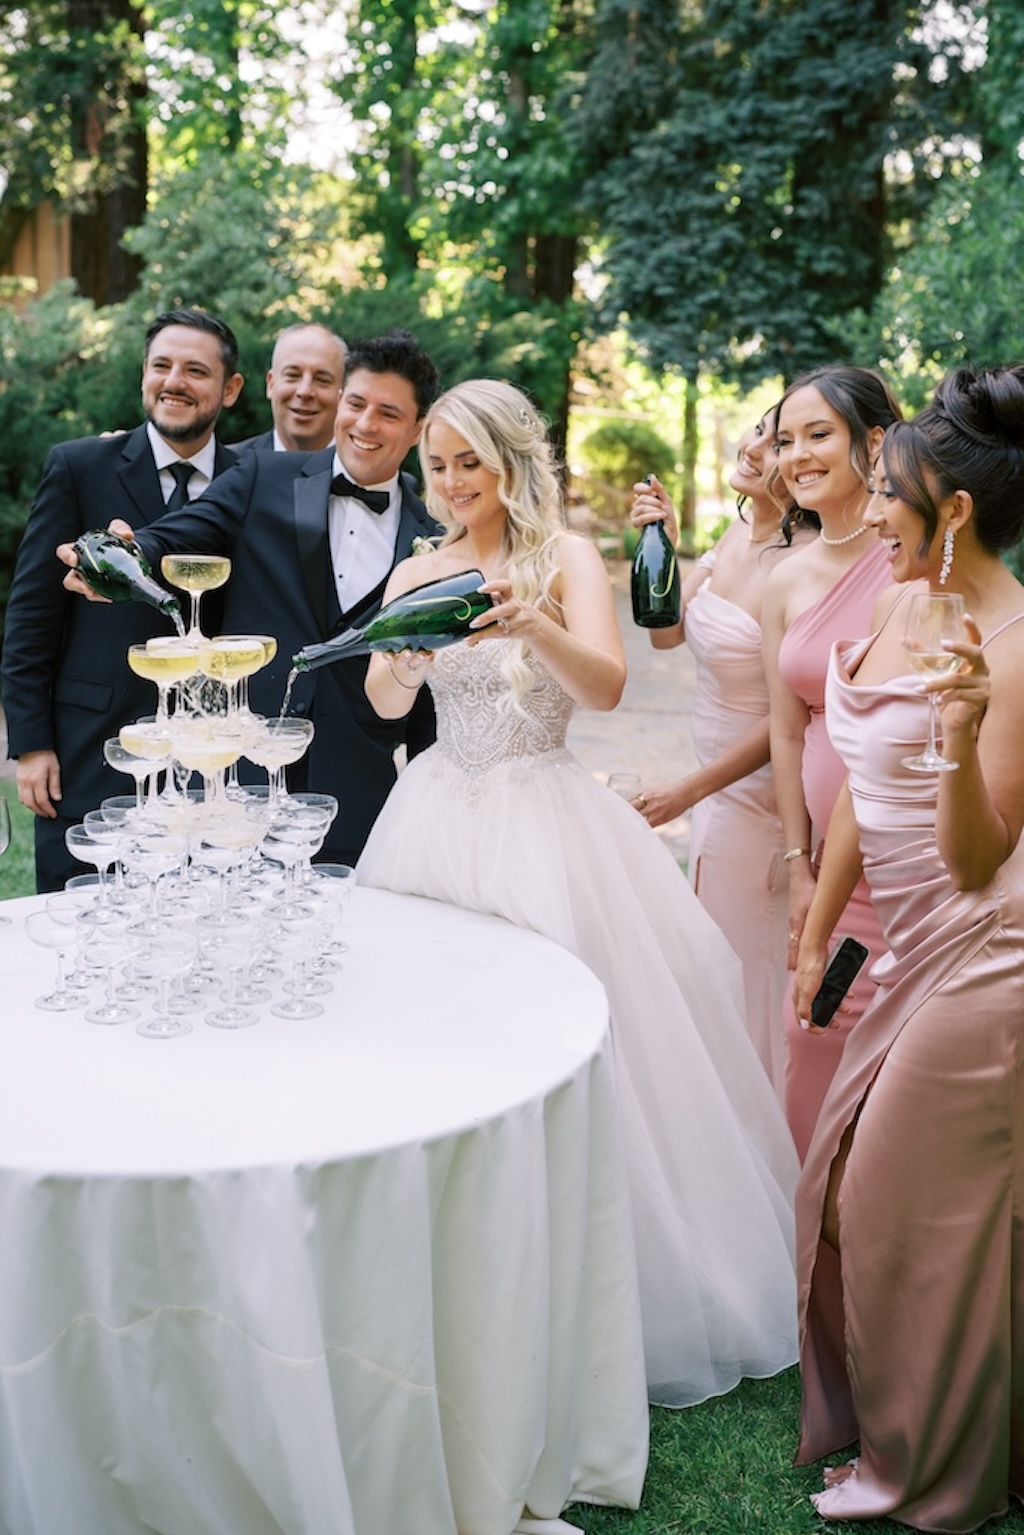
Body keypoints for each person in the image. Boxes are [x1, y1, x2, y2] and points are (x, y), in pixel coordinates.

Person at [357, 378, 800, 1408]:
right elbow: (385, 704)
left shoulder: (564, 558)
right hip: (434, 815)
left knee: (565, 1042)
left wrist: (529, 623)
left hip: (546, 818)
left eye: (472, 460)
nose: (454, 481)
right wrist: (404, 659)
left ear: (514, 463)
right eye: (440, 463)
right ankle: (453, 1257)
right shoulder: (415, 567)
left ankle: (591, 1263)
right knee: (435, 1037)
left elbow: (604, 683)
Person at [790, 364, 1024, 1530]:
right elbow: (850, 793)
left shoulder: (1017, 644)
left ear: (958, 510)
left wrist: (968, 725)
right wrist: (820, 918)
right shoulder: (891, 601)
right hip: (892, 942)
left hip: (985, 952)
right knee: (840, 1187)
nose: (872, 514)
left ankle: (926, 1465)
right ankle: (913, 1413)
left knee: (887, 1198)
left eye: (889, 495)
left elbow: (980, 858)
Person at [59, 329, 443, 866]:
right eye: (355, 404)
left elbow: (432, 693)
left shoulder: (436, 539)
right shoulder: (264, 475)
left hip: (360, 795)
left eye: (388, 412)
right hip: (238, 788)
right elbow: (176, 536)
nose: (364, 424)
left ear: (419, 428)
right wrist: (127, 553)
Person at [2, 307, 244, 892]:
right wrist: (31, 744)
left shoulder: (255, 479)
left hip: (210, 751)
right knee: (86, 920)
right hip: (93, 747)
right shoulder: (80, 466)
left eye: (196, 370)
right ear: (143, 376)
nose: (174, 381)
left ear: (230, 389)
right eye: (161, 365)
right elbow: (32, 612)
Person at [628, 414, 817, 1096]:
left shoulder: (803, 563)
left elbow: (789, 720)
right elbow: (666, 638)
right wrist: (666, 548)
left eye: (776, 441)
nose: (751, 445)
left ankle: (761, 1126)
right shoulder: (741, 530)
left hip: (761, 794)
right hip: (712, 793)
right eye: (759, 431)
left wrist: (688, 791)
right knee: (717, 964)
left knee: (745, 969)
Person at [761, 366, 902, 1158]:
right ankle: (812, 1276)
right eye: (785, 439)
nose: (796, 455)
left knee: (891, 1096)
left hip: (904, 868)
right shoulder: (786, 578)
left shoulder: (915, 561)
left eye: (819, 434)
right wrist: (799, 862)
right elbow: (785, 731)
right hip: (827, 877)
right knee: (811, 1050)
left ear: (874, 441)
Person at [233, 322, 346, 453]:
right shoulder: (227, 467)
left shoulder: (366, 471)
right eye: (292, 375)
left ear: (343, 393)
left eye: (322, 380)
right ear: (271, 384)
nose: (304, 391)